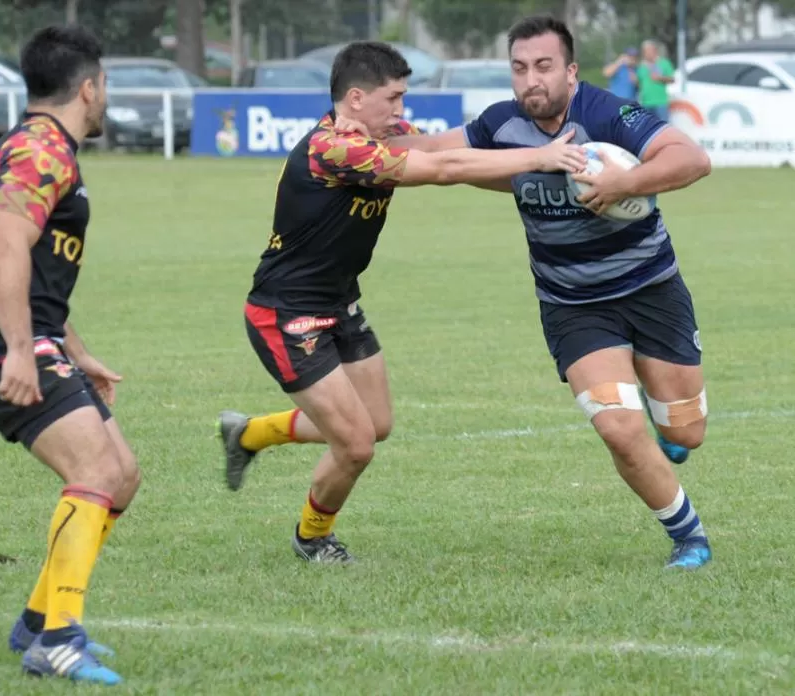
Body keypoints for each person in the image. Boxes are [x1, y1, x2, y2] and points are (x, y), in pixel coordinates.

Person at [217, 40, 588, 564]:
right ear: (354, 99)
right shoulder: (334, 149)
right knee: (356, 445)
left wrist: (548, 176)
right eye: (392, 99)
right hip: (287, 313)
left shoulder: (383, 134)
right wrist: (543, 156)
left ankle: (249, 433)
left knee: (376, 423)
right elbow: (441, 170)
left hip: (340, 302)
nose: (401, 111)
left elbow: (447, 154)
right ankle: (312, 538)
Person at [364, 16, 714, 569]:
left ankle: (665, 423)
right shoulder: (501, 125)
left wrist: (626, 183)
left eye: (544, 67)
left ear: (571, 72)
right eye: (521, 68)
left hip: (652, 289)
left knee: (686, 433)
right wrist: (353, 136)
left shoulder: (606, 113)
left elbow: (692, 159)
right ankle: (688, 537)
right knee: (619, 430)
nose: (532, 80)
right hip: (573, 305)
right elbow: (436, 153)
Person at [0, 25, 138, 684]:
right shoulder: (40, 150)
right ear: (88, 88)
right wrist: (19, 349)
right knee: (92, 467)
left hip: (33, 337)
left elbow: (35, 270)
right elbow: (3, 244)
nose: (105, 95)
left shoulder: (48, 147)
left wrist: (71, 348)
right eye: (105, 84)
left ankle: (35, 620)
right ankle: (58, 640)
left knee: (122, 474)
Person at [636, 39, 675, 122]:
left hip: (660, 102)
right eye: (645, 51)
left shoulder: (664, 63)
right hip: (646, 102)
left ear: (654, 50)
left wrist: (660, 78)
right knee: (648, 128)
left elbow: (672, 79)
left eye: (648, 50)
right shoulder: (641, 65)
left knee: (663, 127)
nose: (646, 53)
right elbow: (639, 83)